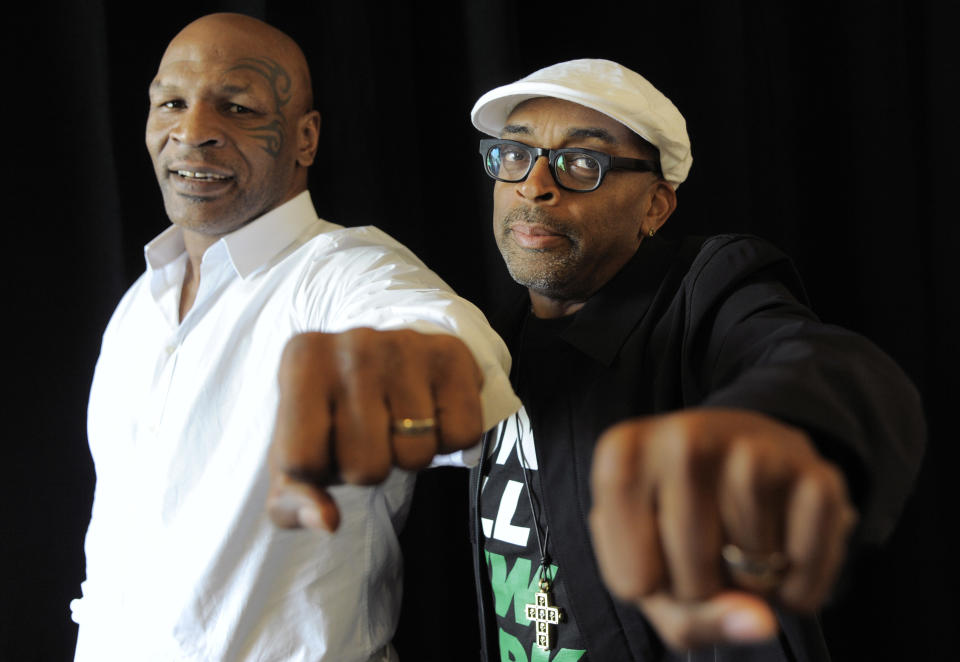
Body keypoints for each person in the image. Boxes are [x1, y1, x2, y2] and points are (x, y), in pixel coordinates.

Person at [270, 59, 925, 661]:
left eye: (583, 162)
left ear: (655, 205)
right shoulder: (500, 346)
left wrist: (774, 428)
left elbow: (817, 361)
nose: (536, 185)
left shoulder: (706, 290)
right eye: (515, 154)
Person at [71, 13, 519, 662]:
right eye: (171, 102)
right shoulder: (137, 308)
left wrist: (417, 363)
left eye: (237, 107)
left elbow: (443, 339)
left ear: (306, 138)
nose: (192, 133)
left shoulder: (340, 272)